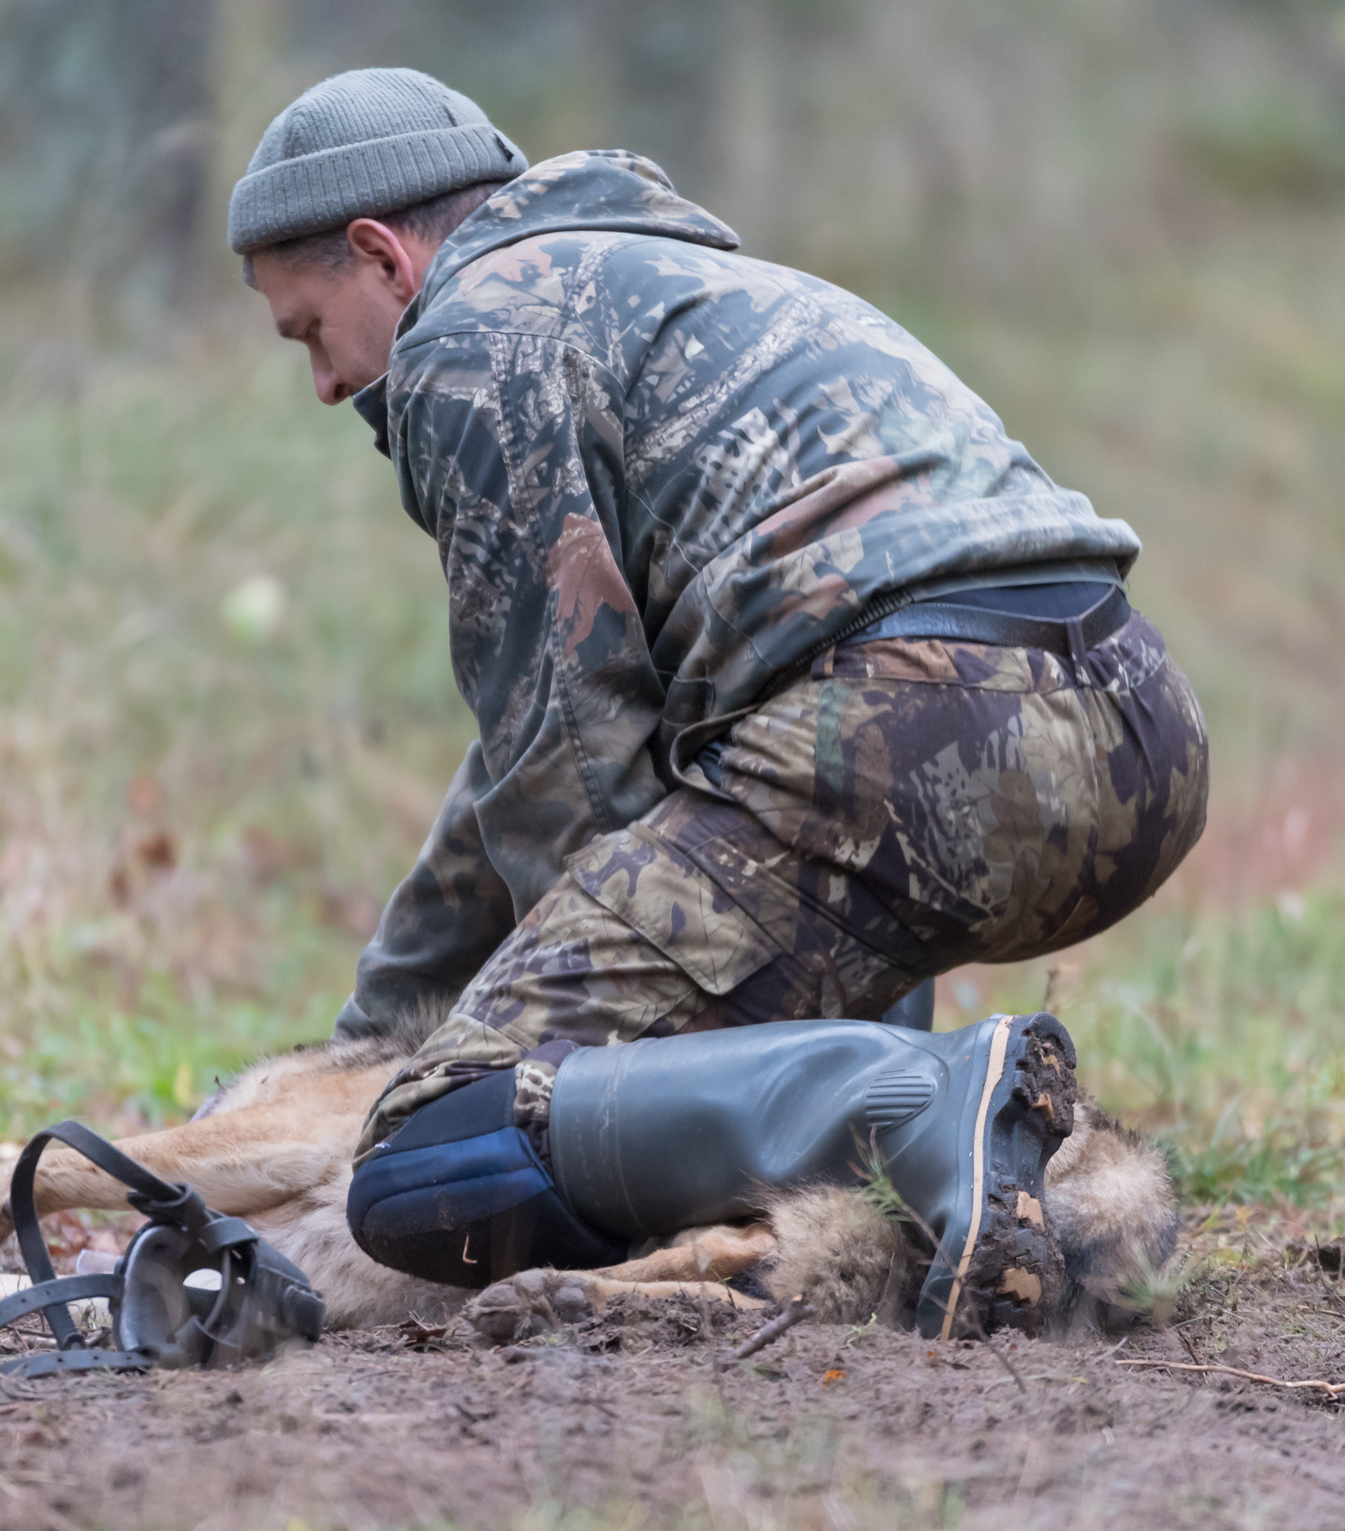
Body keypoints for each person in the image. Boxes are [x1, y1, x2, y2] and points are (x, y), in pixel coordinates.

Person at [231, 68, 1207, 1338]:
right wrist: (374, 1025)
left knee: (437, 1143)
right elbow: (528, 762)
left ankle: (934, 1105)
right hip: (1128, 719)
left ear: (383, 256)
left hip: (917, 726)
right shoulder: (655, 280)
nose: (321, 381)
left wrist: (503, 1050)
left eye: (309, 328)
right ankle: (956, 1155)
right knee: (709, 1002)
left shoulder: (471, 339)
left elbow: (563, 773)